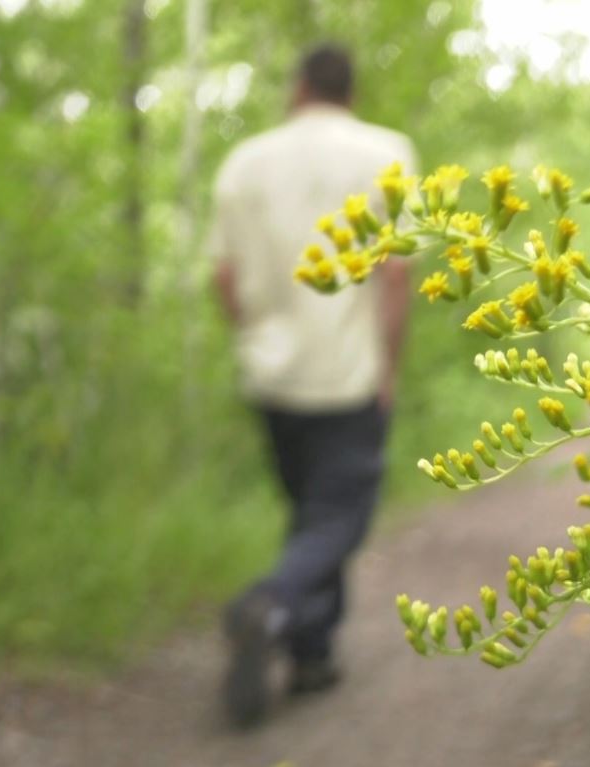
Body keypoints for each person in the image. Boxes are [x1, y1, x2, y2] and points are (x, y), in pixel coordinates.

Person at [206, 43, 415, 729]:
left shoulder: (244, 162)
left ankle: (312, 654)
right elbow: (394, 273)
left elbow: (225, 278)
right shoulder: (386, 152)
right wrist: (388, 362)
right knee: (337, 517)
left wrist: (253, 337)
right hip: (346, 370)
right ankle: (272, 603)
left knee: (308, 510)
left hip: (271, 373)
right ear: (350, 93)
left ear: (298, 87)